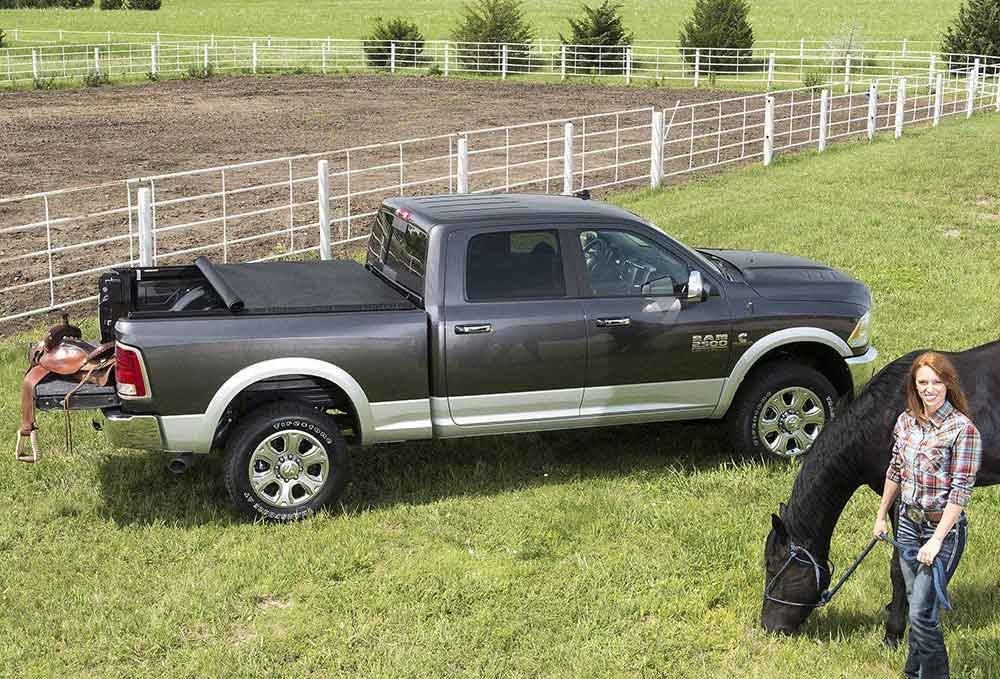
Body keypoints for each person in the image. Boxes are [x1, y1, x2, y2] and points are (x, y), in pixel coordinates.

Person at [873, 352, 982, 679]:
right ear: (915, 386)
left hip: (943, 532)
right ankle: (913, 671)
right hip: (907, 524)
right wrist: (881, 516)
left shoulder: (964, 431)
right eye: (923, 383)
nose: (930, 389)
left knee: (921, 614)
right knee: (913, 599)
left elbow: (960, 491)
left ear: (948, 384)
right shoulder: (906, 421)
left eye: (937, 382)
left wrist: (936, 541)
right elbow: (895, 470)